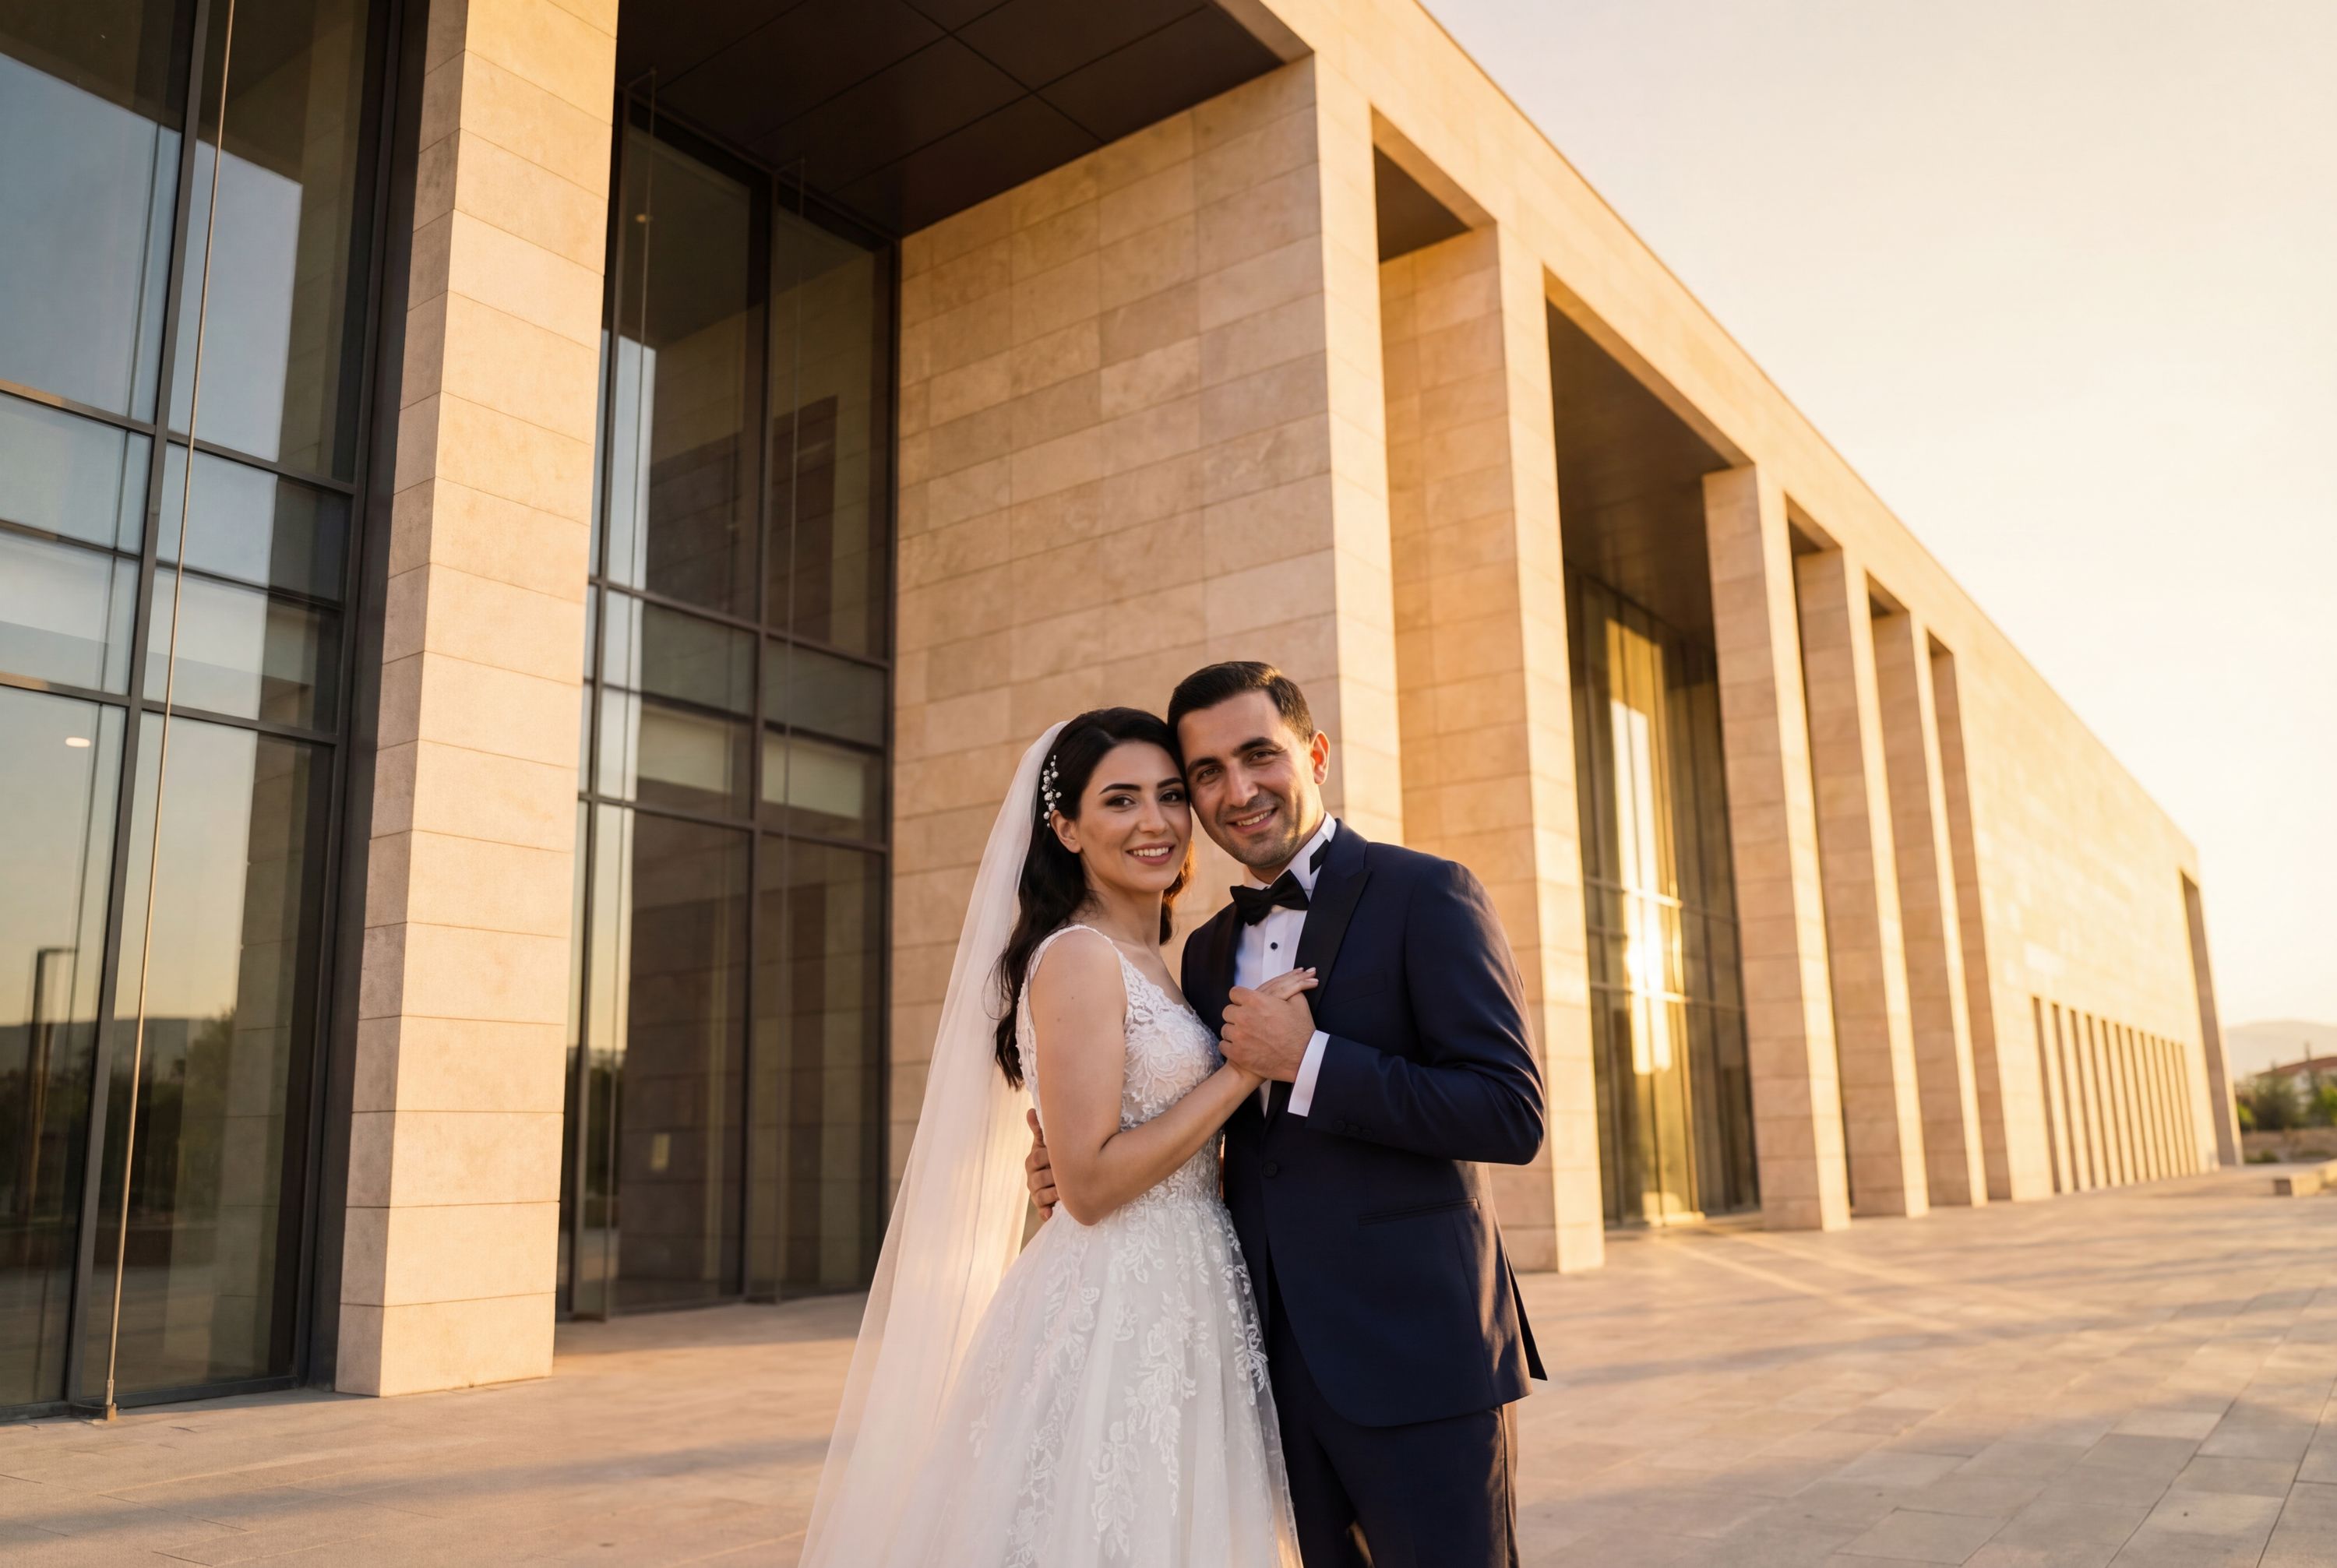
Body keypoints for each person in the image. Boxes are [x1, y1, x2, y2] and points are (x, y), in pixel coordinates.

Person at [1029, 662, 1547, 1568]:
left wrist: (1308, 1060)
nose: (1238, 791)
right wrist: (1073, 1166)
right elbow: (1209, 1133)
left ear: (1314, 754)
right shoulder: (1202, 951)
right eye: (1208, 773)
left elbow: (1509, 1112)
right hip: (1259, 1361)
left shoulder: (1429, 894)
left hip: (1416, 1354)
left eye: (1259, 755)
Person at [798, 707, 1307, 1567]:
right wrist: (1247, 1069)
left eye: (1170, 795)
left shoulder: (1156, 956)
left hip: (1188, 1284)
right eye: (1120, 801)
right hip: (1118, 1299)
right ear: (1065, 827)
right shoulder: (1079, 955)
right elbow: (1092, 1184)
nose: (1156, 822)